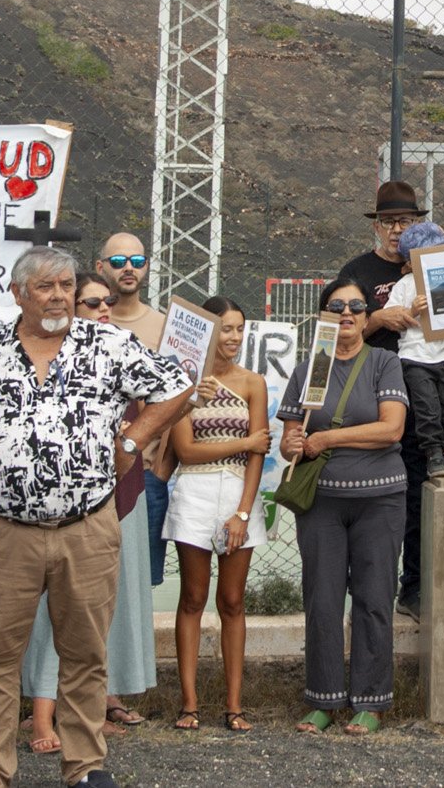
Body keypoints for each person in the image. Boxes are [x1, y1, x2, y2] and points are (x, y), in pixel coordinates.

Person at [0, 244, 190, 788]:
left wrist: (133, 439)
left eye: (66, 285)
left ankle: (86, 767)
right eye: (46, 286)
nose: (60, 295)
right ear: (18, 294)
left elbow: (175, 386)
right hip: (4, 532)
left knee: (86, 654)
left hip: (87, 527)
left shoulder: (108, 343)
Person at [274, 275, 410, 734]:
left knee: (374, 600)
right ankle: (323, 699)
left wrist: (327, 437)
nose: (347, 314)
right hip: (322, 503)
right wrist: (293, 443)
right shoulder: (308, 369)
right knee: (322, 600)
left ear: (368, 317)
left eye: (355, 306)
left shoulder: (384, 363)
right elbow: (289, 443)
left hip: (380, 501)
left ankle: (370, 701)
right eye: (336, 307)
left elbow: (391, 429)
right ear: (323, 317)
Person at [20, 275, 123, 756]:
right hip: (28, 518)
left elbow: (160, 400)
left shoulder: (117, 352)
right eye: (94, 301)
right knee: (43, 621)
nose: (104, 308)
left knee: (85, 628)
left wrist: (129, 441)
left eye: (109, 302)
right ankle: (42, 715)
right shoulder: (19, 352)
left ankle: (86, 744)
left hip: (100, 504)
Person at [165, 297, 269, 732]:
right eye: (225, 328)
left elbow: (261, 453)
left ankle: (234, 706)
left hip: (239, 498)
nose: (233, 337)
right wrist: (243, 443)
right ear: (208, 331)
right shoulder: (181, 381)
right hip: (194, 491)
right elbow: (185, 450)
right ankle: (189, 704)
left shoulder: (253, 383)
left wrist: (243, 512)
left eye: (239, 328)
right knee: (192, 598)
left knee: (232, 601)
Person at [340, 182, 426, 612]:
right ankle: (368, 587)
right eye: (389, 222)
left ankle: (413, 586)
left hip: (424, 396)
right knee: (368, 495)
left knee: (418, 493)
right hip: (369, 397)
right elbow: (331, 333)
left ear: (418, 224)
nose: (396, 230)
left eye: (405, 221)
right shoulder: (356, 272)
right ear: (376, 226)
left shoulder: (431, 266)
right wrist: (377, 318)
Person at [94, 232, 169, 596]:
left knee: (139, 588)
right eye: (119, 261)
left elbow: (176, 401)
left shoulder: (164, 327)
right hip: (86, 476)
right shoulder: (86, 326)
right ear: (100, 267)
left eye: (137, 262)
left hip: (146, 474)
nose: (128, 269)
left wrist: (161, 465)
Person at [384, 223, 444, 478]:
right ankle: (433, 453)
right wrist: (411, 310)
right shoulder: (404, 284)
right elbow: (391, 316)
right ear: (412, 260)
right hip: (416, 357)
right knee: (427, 408)